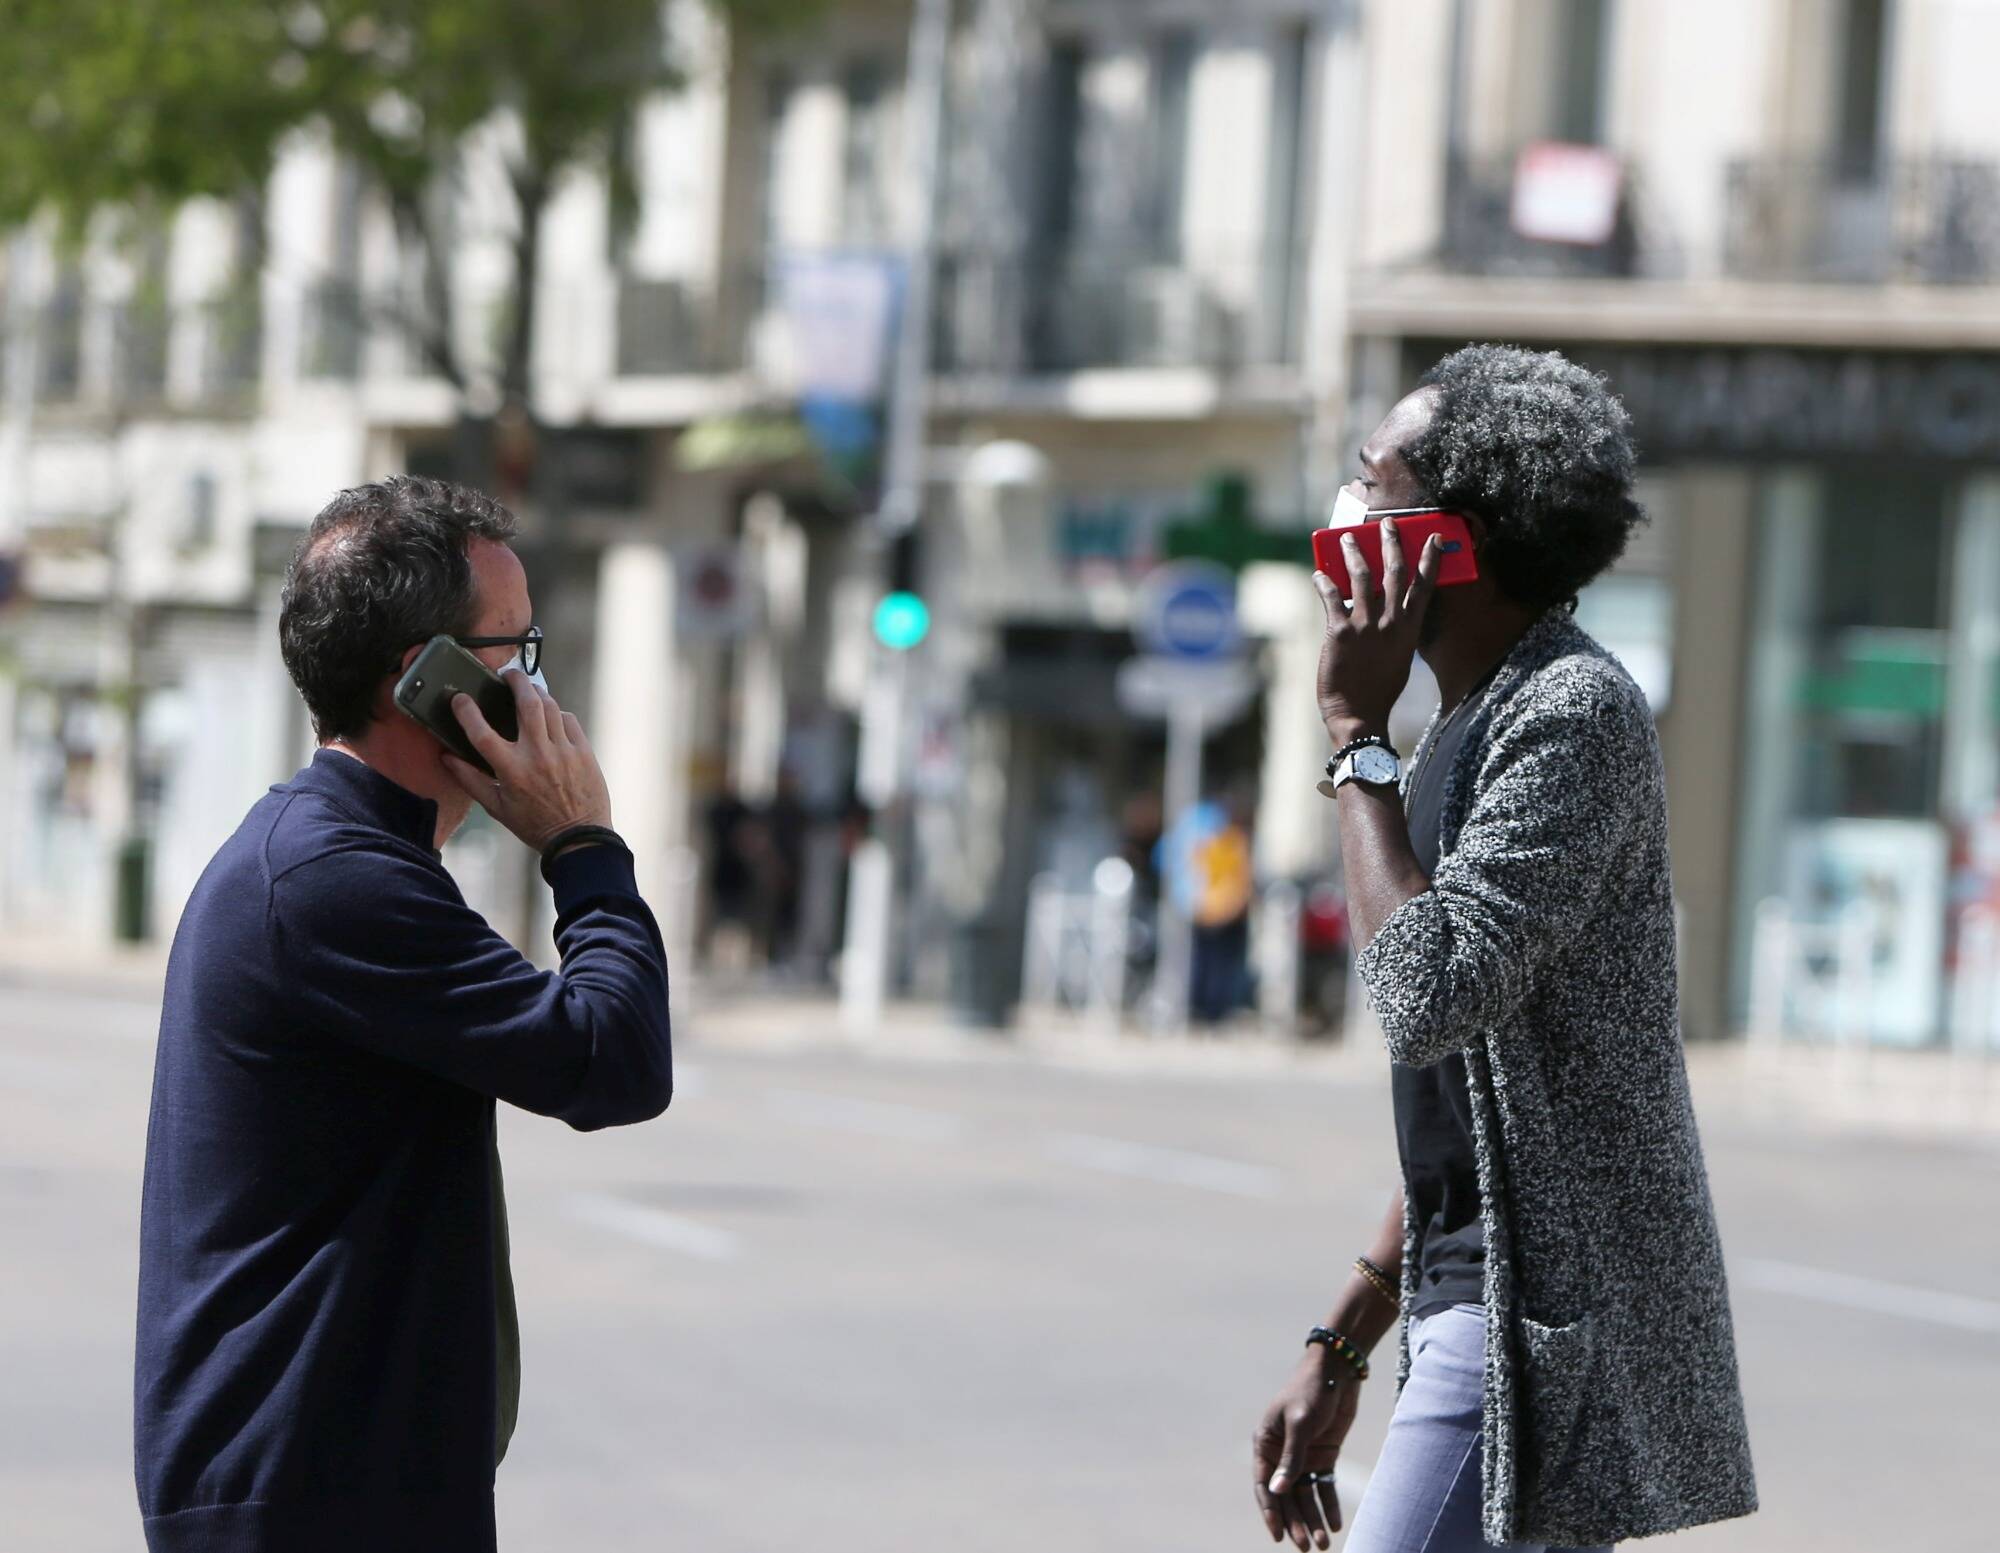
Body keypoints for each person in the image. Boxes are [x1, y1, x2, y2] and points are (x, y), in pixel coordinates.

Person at [1249, 346, 1755, 1552]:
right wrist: (1341, 1341)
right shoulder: (1473, 721)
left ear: (1446, 543)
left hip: (1534, 1316)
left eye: (1372, 484)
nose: (1346, 515)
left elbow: (1421, 997)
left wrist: (1353, 736)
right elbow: (1469, 1092)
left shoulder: (1566, 713)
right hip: (1462, 1297)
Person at [134, 477, 673, 1553]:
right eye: (514, 650)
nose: (536, 688)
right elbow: (612, 1059)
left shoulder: (341, 857)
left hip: (331, 1490)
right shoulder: (336, 880)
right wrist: (583, 849)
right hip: (307, 1500)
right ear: (426, 683)